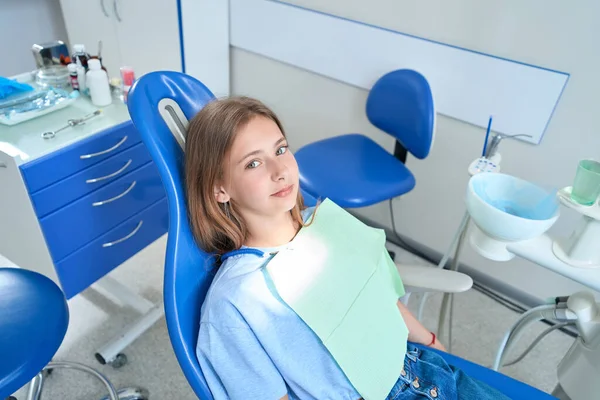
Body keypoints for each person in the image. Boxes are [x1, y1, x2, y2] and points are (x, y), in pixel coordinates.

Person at [185, 96, 509, 400]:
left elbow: (377, 293)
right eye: (253, 164)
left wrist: (428, 339)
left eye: (281, 150)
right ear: (219, 189)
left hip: (424, 368)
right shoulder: (235, 301)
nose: (280, 171)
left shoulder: (325, 224)